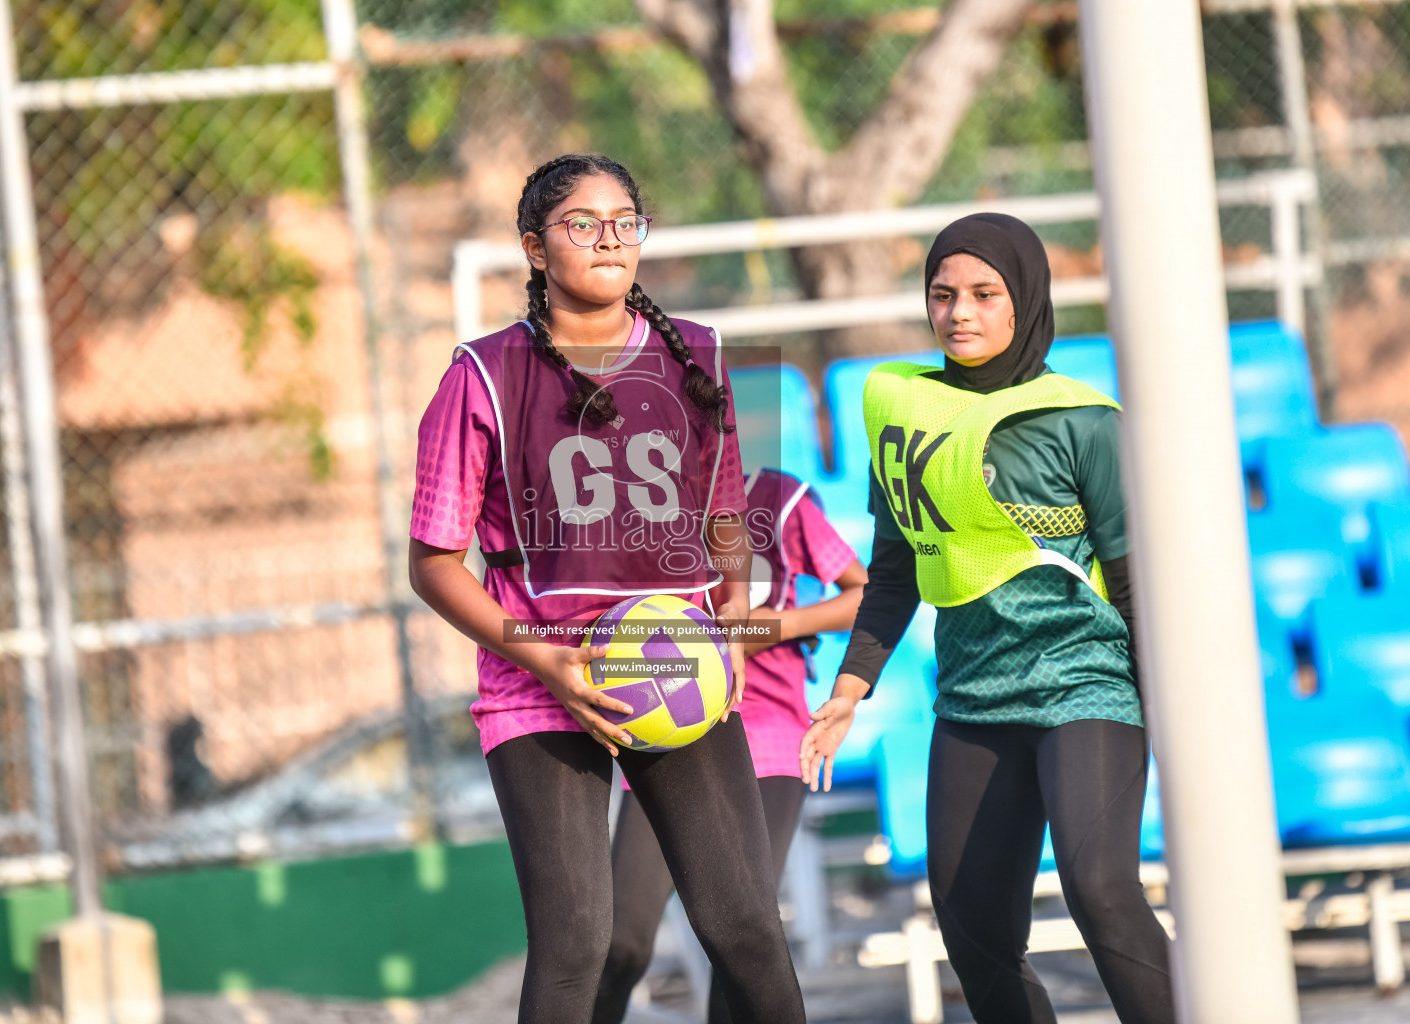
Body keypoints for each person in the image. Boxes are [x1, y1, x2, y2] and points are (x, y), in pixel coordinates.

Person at [408, 153, 806, 1024]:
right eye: (582, 224)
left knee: (743, 925)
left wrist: (730, 623)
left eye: (625, 220)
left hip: (676, 663)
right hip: (539, 682)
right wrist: (547, 662)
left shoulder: (694, 353)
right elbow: (433, 561)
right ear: (534, 248)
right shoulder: (480, 377)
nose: (609, 239)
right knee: (578, 947)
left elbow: (726, 508)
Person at [799, 213, 1176, 1024]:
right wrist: (850, 687)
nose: (959, 312)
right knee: (972, 929)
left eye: (982, 294)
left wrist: (1164, 713)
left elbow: (1136, 582)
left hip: (1086, 686)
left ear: (1024, 300)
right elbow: (895, 568)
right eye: (942, 295)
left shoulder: (1083, 420)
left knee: (1102, 890)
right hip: (973, 699)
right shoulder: (904, 408)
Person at [593, 469, 866, 1024]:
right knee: (620, 943)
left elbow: (865, 597)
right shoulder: (642, 501)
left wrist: (780, 625)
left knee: (742, 943)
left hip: (767, 733)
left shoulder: (780, 499)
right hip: (668, 734)